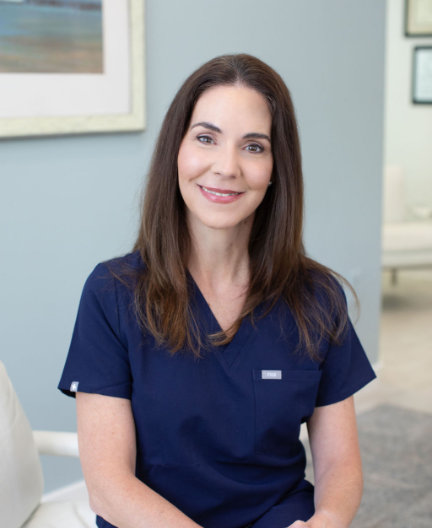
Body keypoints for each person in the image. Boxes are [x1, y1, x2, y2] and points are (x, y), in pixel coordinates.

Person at [58, 54, 376, 528]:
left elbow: (339, 465)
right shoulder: (113, 294)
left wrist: (327, 520)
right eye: (206, 138)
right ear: (177, 152)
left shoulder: (316, 296)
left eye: (253, 147)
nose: (227, 167)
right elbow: (108, 485)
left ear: (275, 168)